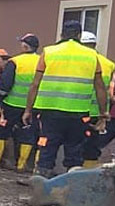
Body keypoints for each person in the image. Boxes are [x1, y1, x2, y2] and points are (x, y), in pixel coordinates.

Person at [23, 22, 107, 178]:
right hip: (78, 112)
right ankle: (71, 186)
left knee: (47, 146)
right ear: (79, 35)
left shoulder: (48, 52)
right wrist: (103, 113)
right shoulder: (91, 55)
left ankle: (41, 183)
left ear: (61, 34)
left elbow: (35, 84)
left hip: (49, 111)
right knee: (74, 150)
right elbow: (100, 87)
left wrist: (28, 110)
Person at [0, 34, 41, 173]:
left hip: (12, 103)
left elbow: (6, 83)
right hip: (33, 105)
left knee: (2, 129)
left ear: (25, 46)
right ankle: (21, 165)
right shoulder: (42, 61)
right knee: (27, 134)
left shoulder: (15, 61)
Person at [79, 31, 115, 168]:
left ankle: (73, 172)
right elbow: (106, 90)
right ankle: (88, 173)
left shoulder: (81, 61)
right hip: (98, 112)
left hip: (78, 108)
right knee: (92, 146)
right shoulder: (109, 64)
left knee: (75, 144)